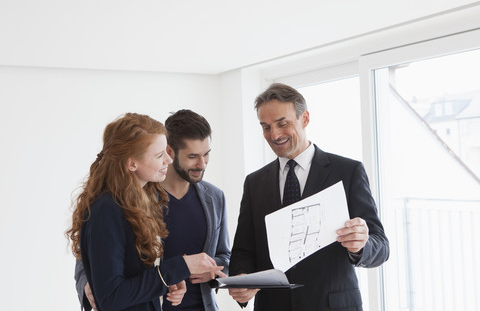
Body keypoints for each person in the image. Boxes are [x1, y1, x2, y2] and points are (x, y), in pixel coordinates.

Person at [228, 83, 389, 311]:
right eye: (265, 127)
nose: (274, 135)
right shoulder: (254, 183)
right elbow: (244, 250)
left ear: (305, 119)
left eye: (282, 123)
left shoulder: (347, 171)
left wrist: (361, 245)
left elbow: (381, 247)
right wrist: (243, 278)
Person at [67, 113, 223, 311]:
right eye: (160, 155)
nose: (168, 159)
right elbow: (111, 297)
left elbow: (135, 278)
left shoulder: (140, 200)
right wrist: (179, 268)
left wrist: (168, 280)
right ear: (132, 164)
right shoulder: (107, 209)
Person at [160, 109, 230, 311]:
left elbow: (225, 256)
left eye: (206, 154)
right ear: (169, 151)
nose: (202, 164)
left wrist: (214, 270)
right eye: (192, 156)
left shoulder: (215, 197)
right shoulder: (140, 198)